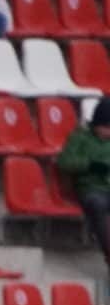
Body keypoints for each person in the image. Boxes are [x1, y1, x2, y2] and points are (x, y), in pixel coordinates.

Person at [57, 98, 110, 272]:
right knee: (98, 204)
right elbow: (64, 162)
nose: (108, 132)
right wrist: (90, 165)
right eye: (106, 127)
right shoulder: (80, 137)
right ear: (97, 123)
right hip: (91, 187)